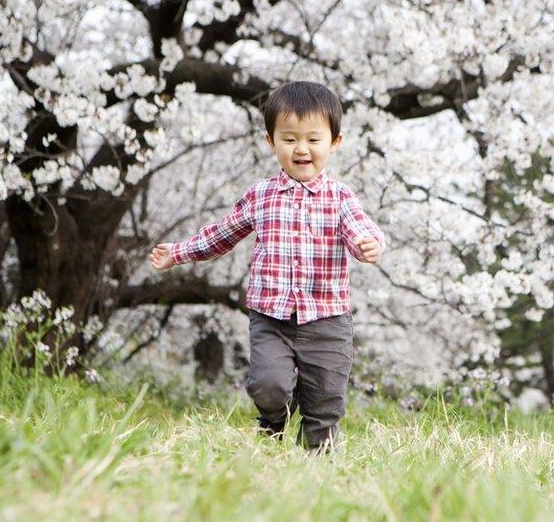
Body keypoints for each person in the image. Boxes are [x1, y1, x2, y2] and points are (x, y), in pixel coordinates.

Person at [148, 81, 385, 453]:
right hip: (271, 318)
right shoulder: (261, 195)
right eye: (289, 139)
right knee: (268, 385)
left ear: (334, 142)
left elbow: (361, 229)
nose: (301, 149)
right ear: (271, 142)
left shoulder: (340, 197)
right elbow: (221, 235)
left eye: (313, 139)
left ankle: (317, 471)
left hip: (327, 320)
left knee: (325, 404)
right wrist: (178, 253)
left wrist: (369, 245)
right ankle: (274, 419)